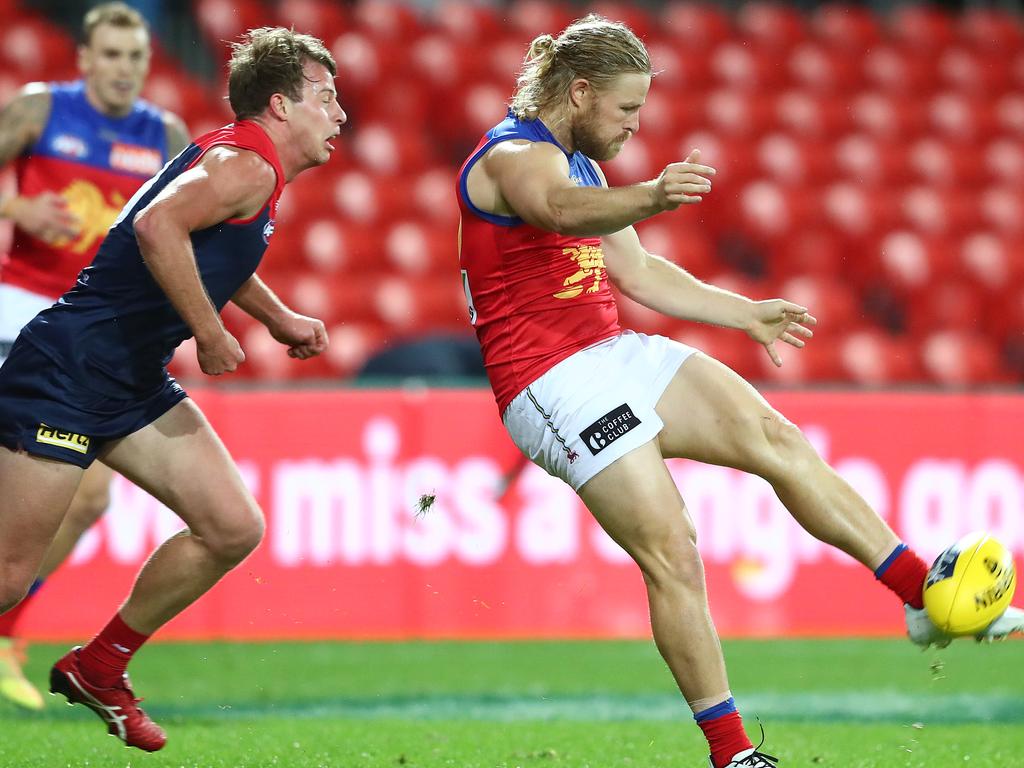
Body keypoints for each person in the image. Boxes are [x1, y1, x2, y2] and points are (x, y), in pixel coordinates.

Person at [456, 15, 1024, 768]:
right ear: (581, 91)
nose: (633, 126)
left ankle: (921, 593)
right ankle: (732, 753)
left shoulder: (580, 165)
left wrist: (744, 311)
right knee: (673, 550)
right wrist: (653, 196)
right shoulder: (513, 157)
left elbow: (641, 275)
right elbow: (556, 212)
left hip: (612, 352)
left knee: (778, 441)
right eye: (626, 110)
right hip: (551, 382)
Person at [0, 25, 341, 750]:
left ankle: (100, 666)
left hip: (126, 379)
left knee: (231, 525)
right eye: (325, 98)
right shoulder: (245, 163)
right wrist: (210, 333)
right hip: (68, 369)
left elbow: (203, 243)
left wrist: (277, 317)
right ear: (280, 105)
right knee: (4, 582)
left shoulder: (242, 165)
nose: (339, 115)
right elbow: (159, 227)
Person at [0, 2, 189, 711]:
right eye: (111, 55)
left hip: (101, 335)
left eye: (136, 56)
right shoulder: (39, 112)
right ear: (84, 59)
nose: (124, 69)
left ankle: (5, 636)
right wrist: (15, 213)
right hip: (20, 317)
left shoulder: (164, 134)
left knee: (90, 497)